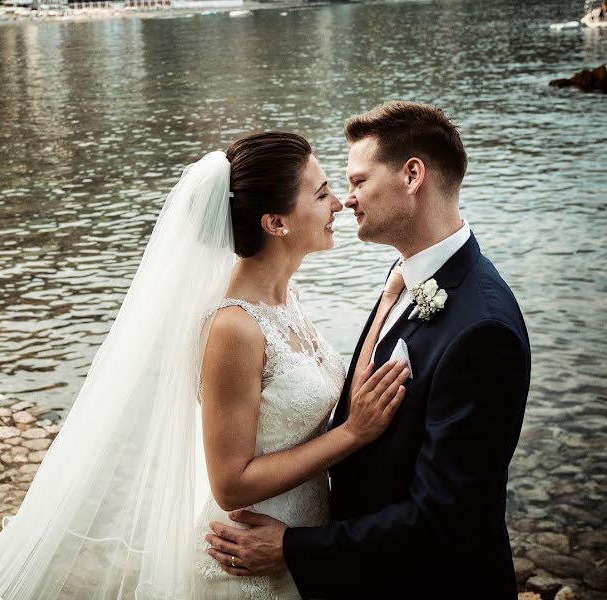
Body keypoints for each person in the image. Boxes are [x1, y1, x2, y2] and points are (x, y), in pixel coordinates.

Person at [0, 132, 407, 599]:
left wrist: (389, 300)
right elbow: (230, 483)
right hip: (246, 560)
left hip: (300, 542)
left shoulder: (286, 302)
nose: (339, 205)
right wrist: (351, 435)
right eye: (321, 194)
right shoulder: (235, 327)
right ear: (275, 223)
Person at [205, 102, 531, 599]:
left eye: (357, 181)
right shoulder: (403, 278)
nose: (345, 201)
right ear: (274, 222)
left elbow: (445, 514)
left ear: (412, 176)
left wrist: (295, 548)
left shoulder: (482, 328)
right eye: (330, 190)